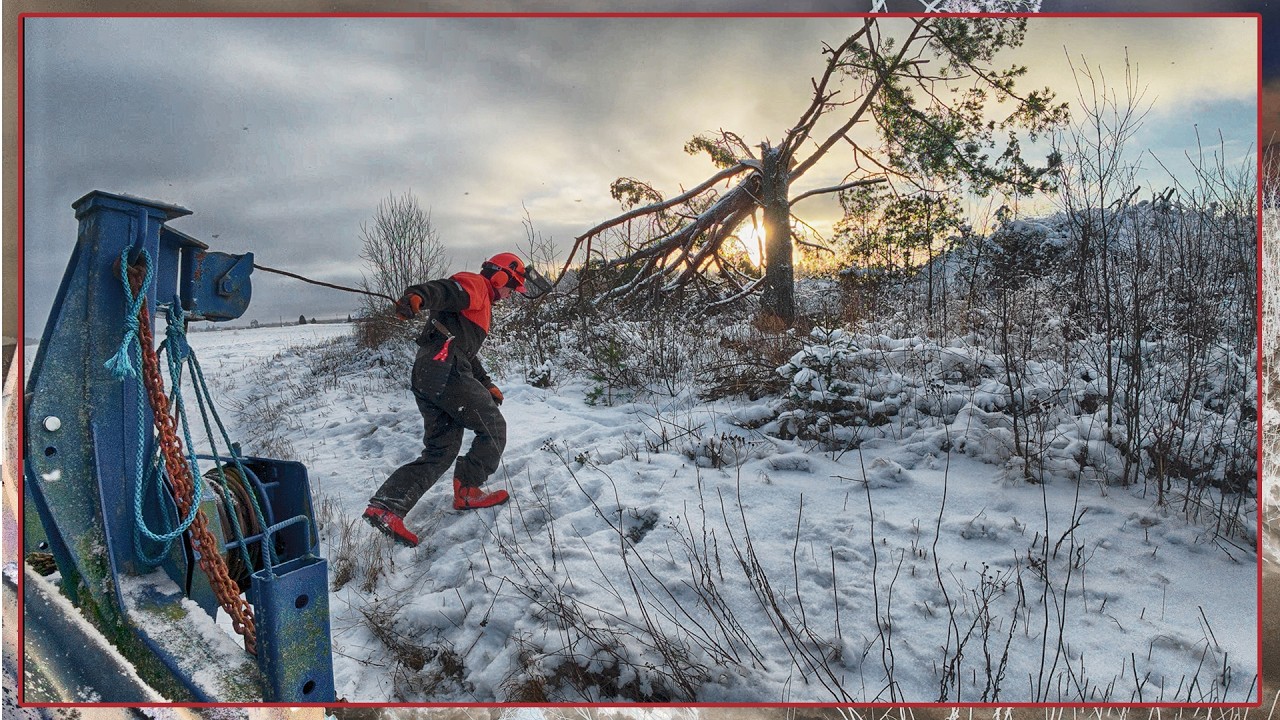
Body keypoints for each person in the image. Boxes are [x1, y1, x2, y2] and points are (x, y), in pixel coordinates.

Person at [363, 252, 527, 547]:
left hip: (429, 372)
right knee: (493, 428)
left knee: (441, 449)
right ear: (500, 276)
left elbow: (462, 350)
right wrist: (418, 296)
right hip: (446, 370)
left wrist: (485, 383)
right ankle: (467, 490)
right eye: (511, 287)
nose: (511, 294)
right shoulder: (476, 285)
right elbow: (446, 290)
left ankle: (386, 507)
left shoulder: (480, 304)